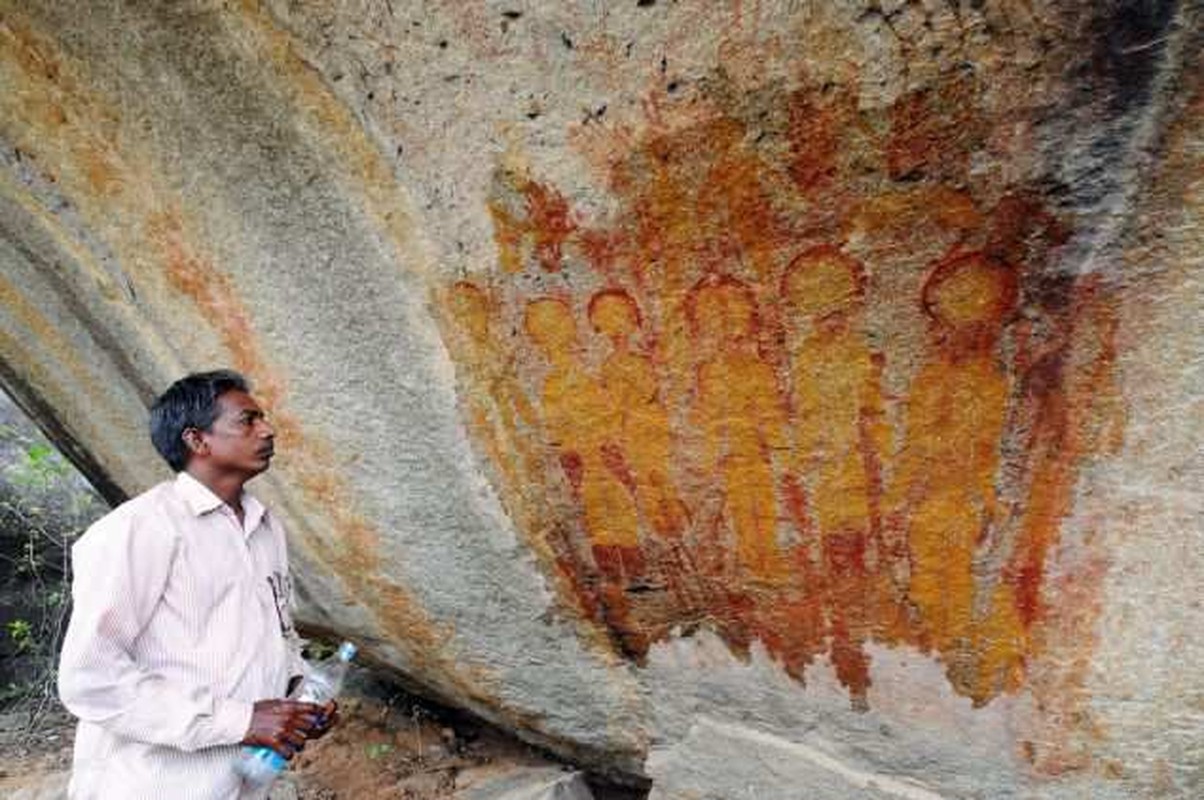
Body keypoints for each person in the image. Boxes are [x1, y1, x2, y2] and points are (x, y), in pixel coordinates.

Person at [58, 370, 337, 799]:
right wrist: (240, 721)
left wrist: (300, 702)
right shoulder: (139, 530)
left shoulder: (266, 528)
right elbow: (89, 678)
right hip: (152, 786)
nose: (268, 429)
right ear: (197, 441)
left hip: (240, 783)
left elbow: (276, 637)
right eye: (247, 420)